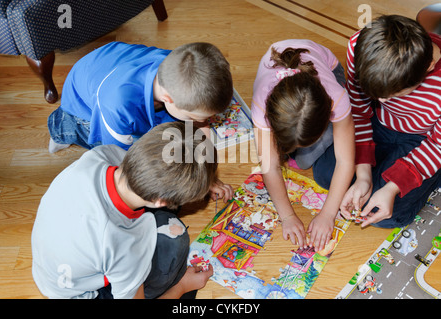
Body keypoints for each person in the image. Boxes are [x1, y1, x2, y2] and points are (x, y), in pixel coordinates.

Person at [32, 122, 221, 299]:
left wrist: (200, 180)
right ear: (160, 201)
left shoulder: (102, 154)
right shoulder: (124, 245)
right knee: (175, 238)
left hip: (54, 262)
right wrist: (181, 287)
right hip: (79, 292)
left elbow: (159, 170)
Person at [313, 15, 441, 229]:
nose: (381, 100)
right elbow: (359, 111)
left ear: (428, 67)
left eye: (394, 94)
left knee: (389, 215)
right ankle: (381, 176)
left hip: (424, 140)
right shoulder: (360, 46)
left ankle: (430, 176)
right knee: (324, 173)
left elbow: (437, 145)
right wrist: (363, 174)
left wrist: (392, 188)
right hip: (378, 123)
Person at [251, 40, 355, 251]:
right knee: (301, 158)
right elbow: (269, 166)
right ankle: (303, 143)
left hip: (330, 70)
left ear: (328, 115)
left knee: (305, 159)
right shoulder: (261, 104)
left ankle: (316, 140)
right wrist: (287, 216)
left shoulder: (337, 98)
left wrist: (328, 214)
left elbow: (346, 160)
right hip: (275, 80)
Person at [47, 41, 233, 153]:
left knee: (175, 133)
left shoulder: (180, 67)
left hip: (112, 65)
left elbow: (200, 126)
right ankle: (61, 129)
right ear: (168, 98)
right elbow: (117, 157)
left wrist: (207, 168)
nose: (203, 122)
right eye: (194, 117)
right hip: (84, 105)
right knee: (142, 150)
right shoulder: (117, 105)